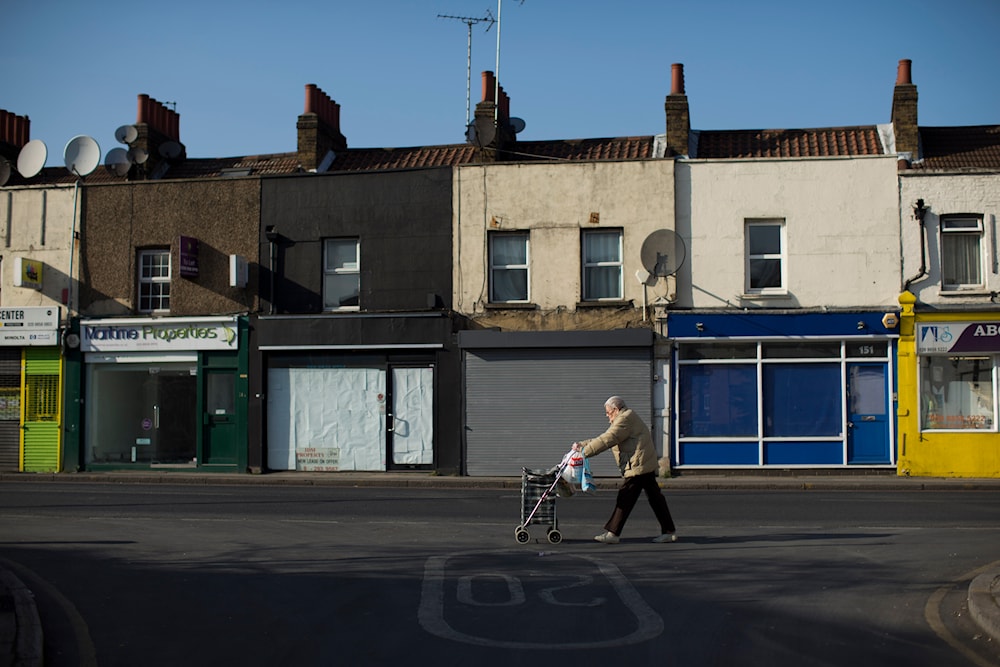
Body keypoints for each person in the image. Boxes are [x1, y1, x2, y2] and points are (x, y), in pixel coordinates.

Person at [572, 396, 677, 544]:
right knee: (655, 498)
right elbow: (605, 437)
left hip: (638, 464)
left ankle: (613, 533)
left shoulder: (624, 419)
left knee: (626, 497)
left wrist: (585, 452)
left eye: (608, 412)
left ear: (616, 410)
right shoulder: (625, 417)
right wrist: (582, 445)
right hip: (643, 462)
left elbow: (608, 439)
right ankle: (669, 531)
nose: (607, 415)